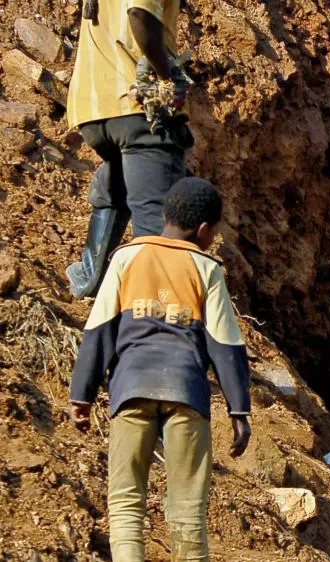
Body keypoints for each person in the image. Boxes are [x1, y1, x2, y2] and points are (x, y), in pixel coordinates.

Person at [68, 178, 251, 561]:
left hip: (131, 390)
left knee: (126, 500)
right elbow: (225, 344)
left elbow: (99, 329)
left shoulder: (125, 257)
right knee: (187, 506)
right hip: (187, 395)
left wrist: (82, 395)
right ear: (204, 231)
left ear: (166, 215)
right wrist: (239, 411)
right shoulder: (205, 268)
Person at [65, 0, 193, 299]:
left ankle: (89, 279)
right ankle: (149, 315)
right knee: (158, 225)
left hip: (95, 108)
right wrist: (166, 77)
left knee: (120, 183)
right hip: (136, 105)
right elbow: (140, 12)